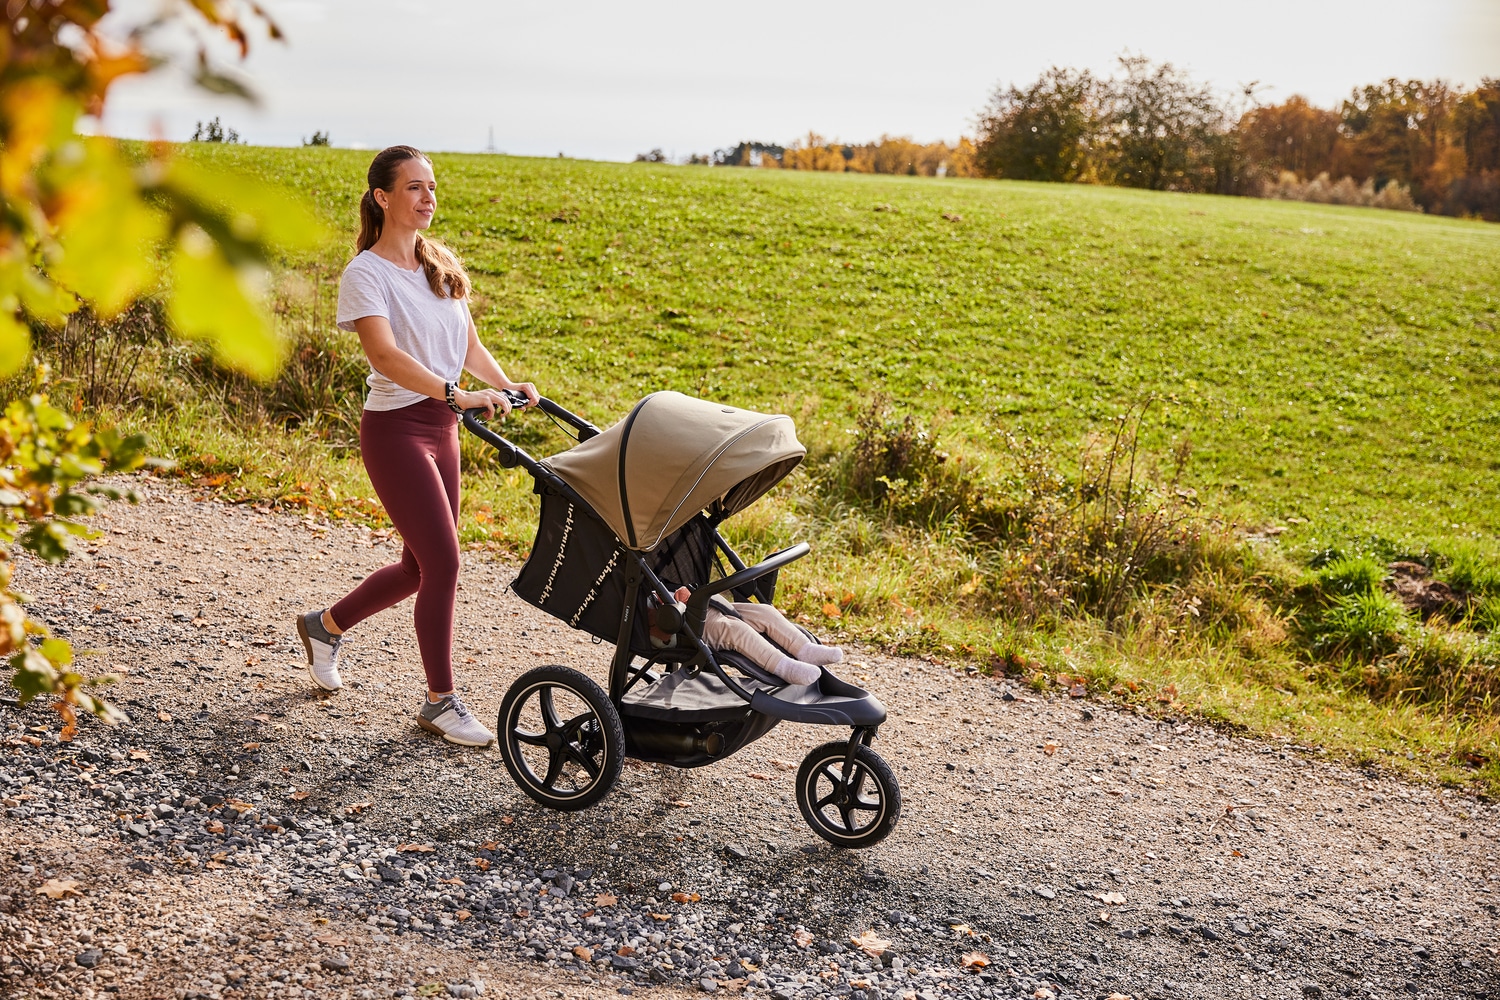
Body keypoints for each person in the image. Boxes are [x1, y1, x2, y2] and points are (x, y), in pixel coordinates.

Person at [296, 145, 538, 748]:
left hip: (443, 426)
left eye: (431, 187)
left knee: (417, 566)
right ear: (382, 197)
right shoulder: (366, 274)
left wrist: (501, 384)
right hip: (397, 430)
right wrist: (454, 394)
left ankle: (324, 626)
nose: (428, 198)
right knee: (445, 563)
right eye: (413, 188)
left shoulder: (439, 263)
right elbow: (385, 357)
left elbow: (467, 344)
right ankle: (440, 701)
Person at [649, 587, 843, 685]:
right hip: (684, 626)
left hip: (703, 606)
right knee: (736, 631)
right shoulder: (643, 601)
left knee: (765, 612)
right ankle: (784, 667)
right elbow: (658, 633)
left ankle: (805, 649)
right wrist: (672, 605)